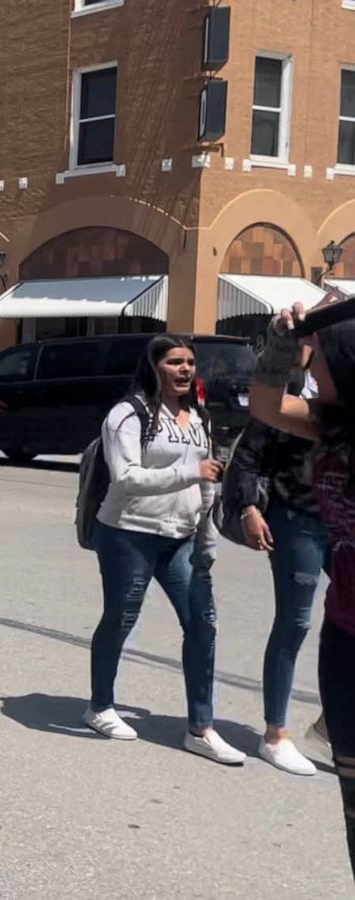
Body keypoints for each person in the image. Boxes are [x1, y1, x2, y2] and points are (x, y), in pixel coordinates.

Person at [81, 335, 239, 763]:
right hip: (128, 532)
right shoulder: (128, 414)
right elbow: (127, 477)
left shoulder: (198, 417)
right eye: (174, 362)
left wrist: (207, 541)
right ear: (154, 367)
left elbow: (207, 485)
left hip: (182, 537)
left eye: (190, 362)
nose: (185, 369)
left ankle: (201, 728)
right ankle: (100, 706)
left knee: (202, 624)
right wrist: (190, 469)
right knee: (120, 618)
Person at [251, 299, 355, 879]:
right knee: (353, 808)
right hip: (345, 638)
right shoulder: (326, 421)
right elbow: (267, 405)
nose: (310, 370)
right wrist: (284, 341)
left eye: (319, 361)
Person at [227, 353, 328, 776]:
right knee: (296, 621)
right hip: (296, 519)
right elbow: (248, 456)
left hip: (342, 521)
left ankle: (331, 725)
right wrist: (249, 507)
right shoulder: (287, 399)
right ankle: (275, 734)